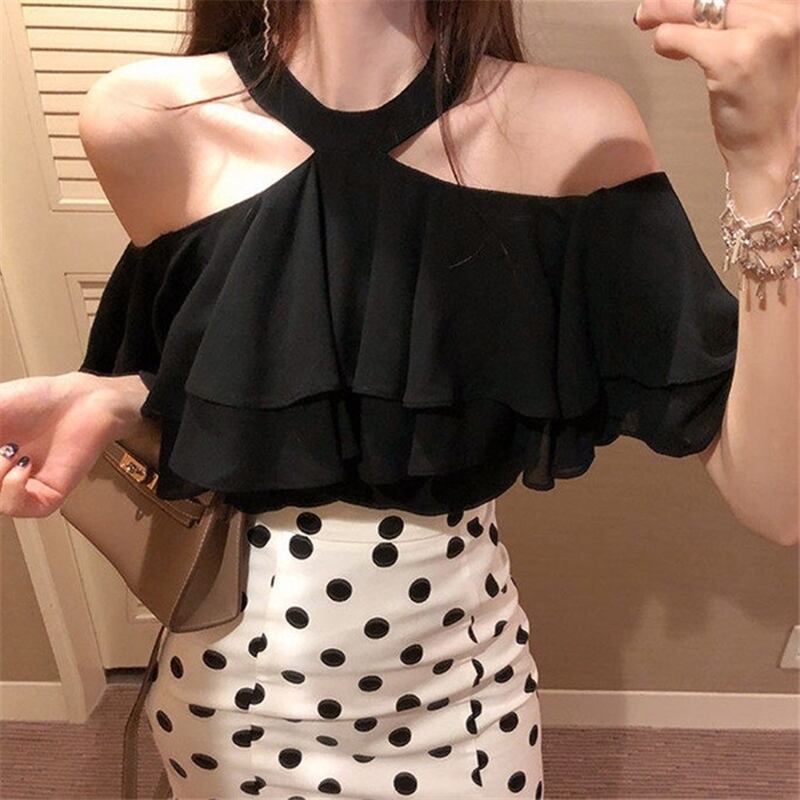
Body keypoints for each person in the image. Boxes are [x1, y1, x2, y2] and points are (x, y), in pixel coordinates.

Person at [1, 0, 797, 798]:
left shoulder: (575, 126)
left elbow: (778, 500)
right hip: (229, 700)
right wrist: (117, 398)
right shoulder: (146, 119)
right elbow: (254, 383)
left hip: (463, 694)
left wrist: (769, 160)